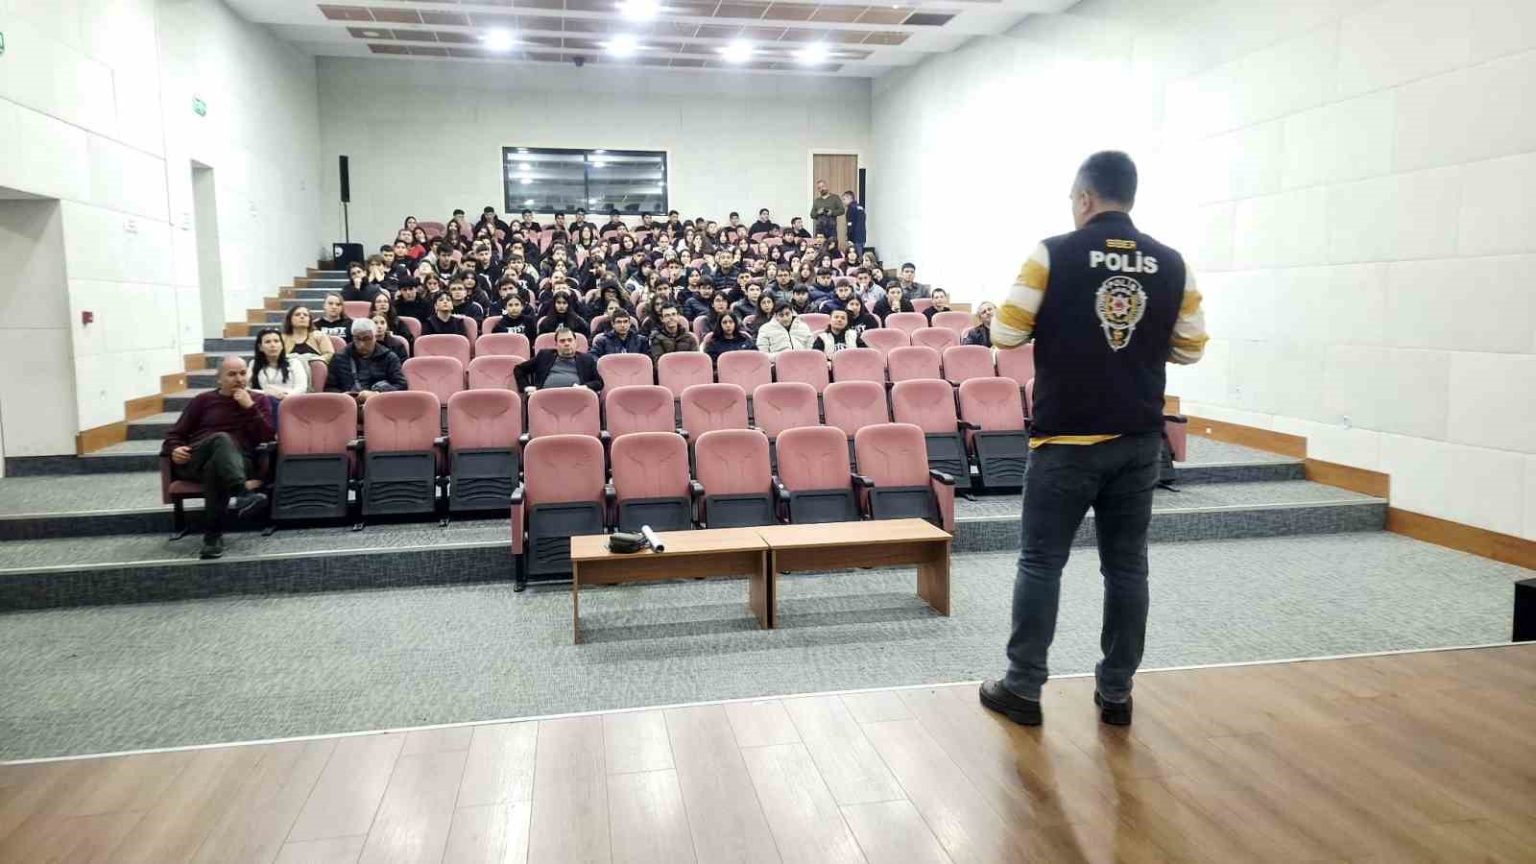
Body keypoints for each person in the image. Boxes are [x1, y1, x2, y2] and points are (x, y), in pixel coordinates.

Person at [979, 151, 1208, 729]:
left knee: (1041, 563)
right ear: (1129, 196)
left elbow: (1005, 333)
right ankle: (1117, 692)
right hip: (1138, 438)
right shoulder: (1172, 262)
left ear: (1084, 199)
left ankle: (1023, 688)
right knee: (1127, 568)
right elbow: (1190, 348)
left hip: (1065, 440)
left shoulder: (1053, 253)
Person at [160, 356, 273, 559]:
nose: (239, 379)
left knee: (216, 468)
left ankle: (212, 539)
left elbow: (267, 437)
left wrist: (250, 408)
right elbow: (174, 435)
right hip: (196, 459)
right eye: (232, 374)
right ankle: (241, 492)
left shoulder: (258, 400)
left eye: (243, 373)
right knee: (221, 439)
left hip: (239, 462)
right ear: (219, 378)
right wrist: (175, 448)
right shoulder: (203, 401)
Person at [326, 318, 407, 402]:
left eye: (367, 338)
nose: (362, 344)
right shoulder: (339, 357)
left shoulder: (389, 357)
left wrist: (377, 393)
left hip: (379, 403)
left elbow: (401, 386)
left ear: (375, 337)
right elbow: (329, 388)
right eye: (357, 339)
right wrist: (343, 396)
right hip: (348, 404)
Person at [515, 326, 603, 392]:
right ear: (556, 344)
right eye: (562, 341)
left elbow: (599, 382)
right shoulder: (544, 356)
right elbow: (519, 369)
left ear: (575, 343)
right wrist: (526, 387)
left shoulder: (586, 360)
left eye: (570, 340)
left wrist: (585, 386)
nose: (567, 343)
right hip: (544, 399)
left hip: (576, 399)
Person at [249, 327, 310, 400]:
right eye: (267, 342)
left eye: (276, 341)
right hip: (265, 401)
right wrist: (268, 393)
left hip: (291, 401)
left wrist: (285, 396)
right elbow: (248, 389)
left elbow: (301, 388)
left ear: (282, 345)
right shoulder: (254, 364)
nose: (273, 345)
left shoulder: (294, 363)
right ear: (260, 347)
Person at [810, 179, 844, 244]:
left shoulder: (835, 197)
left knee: (832, 245)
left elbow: (842, 210)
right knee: (819, 246)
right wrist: (818, 212)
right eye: (819, 188)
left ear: (827, 186)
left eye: (823, 186)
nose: (822, 189)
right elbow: (812, 215)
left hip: (831, 228)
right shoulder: (817, 200)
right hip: (820, 229)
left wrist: (832, 212)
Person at [841, 191, 866, 258]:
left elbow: (850, 225)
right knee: (860, 255)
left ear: (850, 198)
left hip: (854, 238)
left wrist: (850, 238)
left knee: (855, 257)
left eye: (844, 199)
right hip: (862, 236)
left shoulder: (851, 208)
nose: (843, 202)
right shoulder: (860, 207)